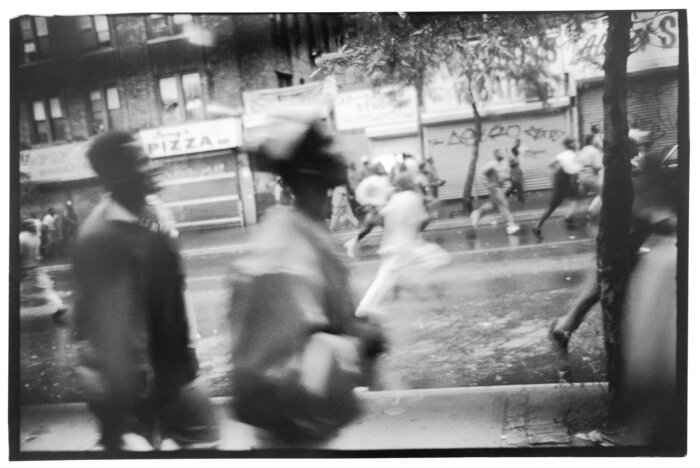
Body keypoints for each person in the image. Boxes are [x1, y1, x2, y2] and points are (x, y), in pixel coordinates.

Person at [228, 114, 386, 442]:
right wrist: (361, 344)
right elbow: (290, 369)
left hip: (305, 428)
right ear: (308, 175)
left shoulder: (301, 229)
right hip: (293, 433)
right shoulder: (286, 254)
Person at [72, 131, 219, 451]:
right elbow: (101, 332)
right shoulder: (99, 239)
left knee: (205, 445)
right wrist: (122, 420)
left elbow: (175, 289)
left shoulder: (154, 213)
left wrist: (189, 348)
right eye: (140, 162)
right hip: (133, 391)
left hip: (176, 371)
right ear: (116, 176)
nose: (151, 167)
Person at [548, 132, 677, 383]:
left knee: (598, 294)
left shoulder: (623, 172)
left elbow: (610, 208)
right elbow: (638, 211)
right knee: (599, 294)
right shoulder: (618, 174)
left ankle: (565, 329)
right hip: (618, 248)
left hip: (624, 247)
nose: (637, 151)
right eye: (635, 147)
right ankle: (563, 329)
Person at [356, 174, 450, 318]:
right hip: (405, 249)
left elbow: (379, 220)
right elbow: (421, 224)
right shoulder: (410, 198)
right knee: (434, 262)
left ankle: (371, 307)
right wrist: (430, 214)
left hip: (398, 249)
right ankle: (367, 309)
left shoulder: (392, 203)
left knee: (388, 279)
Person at [532, 137, 582, 240]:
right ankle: (568, 219)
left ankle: (538, 226)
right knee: (579, 200)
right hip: (563, 184)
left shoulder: (567, 154)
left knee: (553, 207)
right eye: (574, 142)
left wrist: (555, 174)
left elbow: (552, 165)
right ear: (570, 144)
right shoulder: (568, 154)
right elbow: (572, 169)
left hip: (562, 183)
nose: (577, 144)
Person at [19, 219, 68, 322]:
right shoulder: (36, 238)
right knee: (47, 289)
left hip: (23, 269)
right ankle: (59, 306)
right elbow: (37, 256)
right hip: (34, 268)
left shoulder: (21, 237)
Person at [470, 149, 521, 235]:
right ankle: (511, 225)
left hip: (498, 187)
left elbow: (503, 176)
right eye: (500, 153)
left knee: (493, 205)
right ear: (496, 155)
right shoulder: (491, 165)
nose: (502, 154)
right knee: (503, 205)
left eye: (502, 153)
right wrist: (487, 184)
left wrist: (509, 178)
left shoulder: (504, 164)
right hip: (495, 188)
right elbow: (481, 174)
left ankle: (477, 213)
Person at [577, 134, 604, 220]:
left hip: (581, 176)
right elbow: (598, 166)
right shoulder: (593, 151)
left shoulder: (583, 150)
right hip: (590, 176)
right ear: (591, 141)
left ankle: (571, 216)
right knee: (602, 193)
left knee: (581, 196)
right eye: (595, 139)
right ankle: (591, 212)